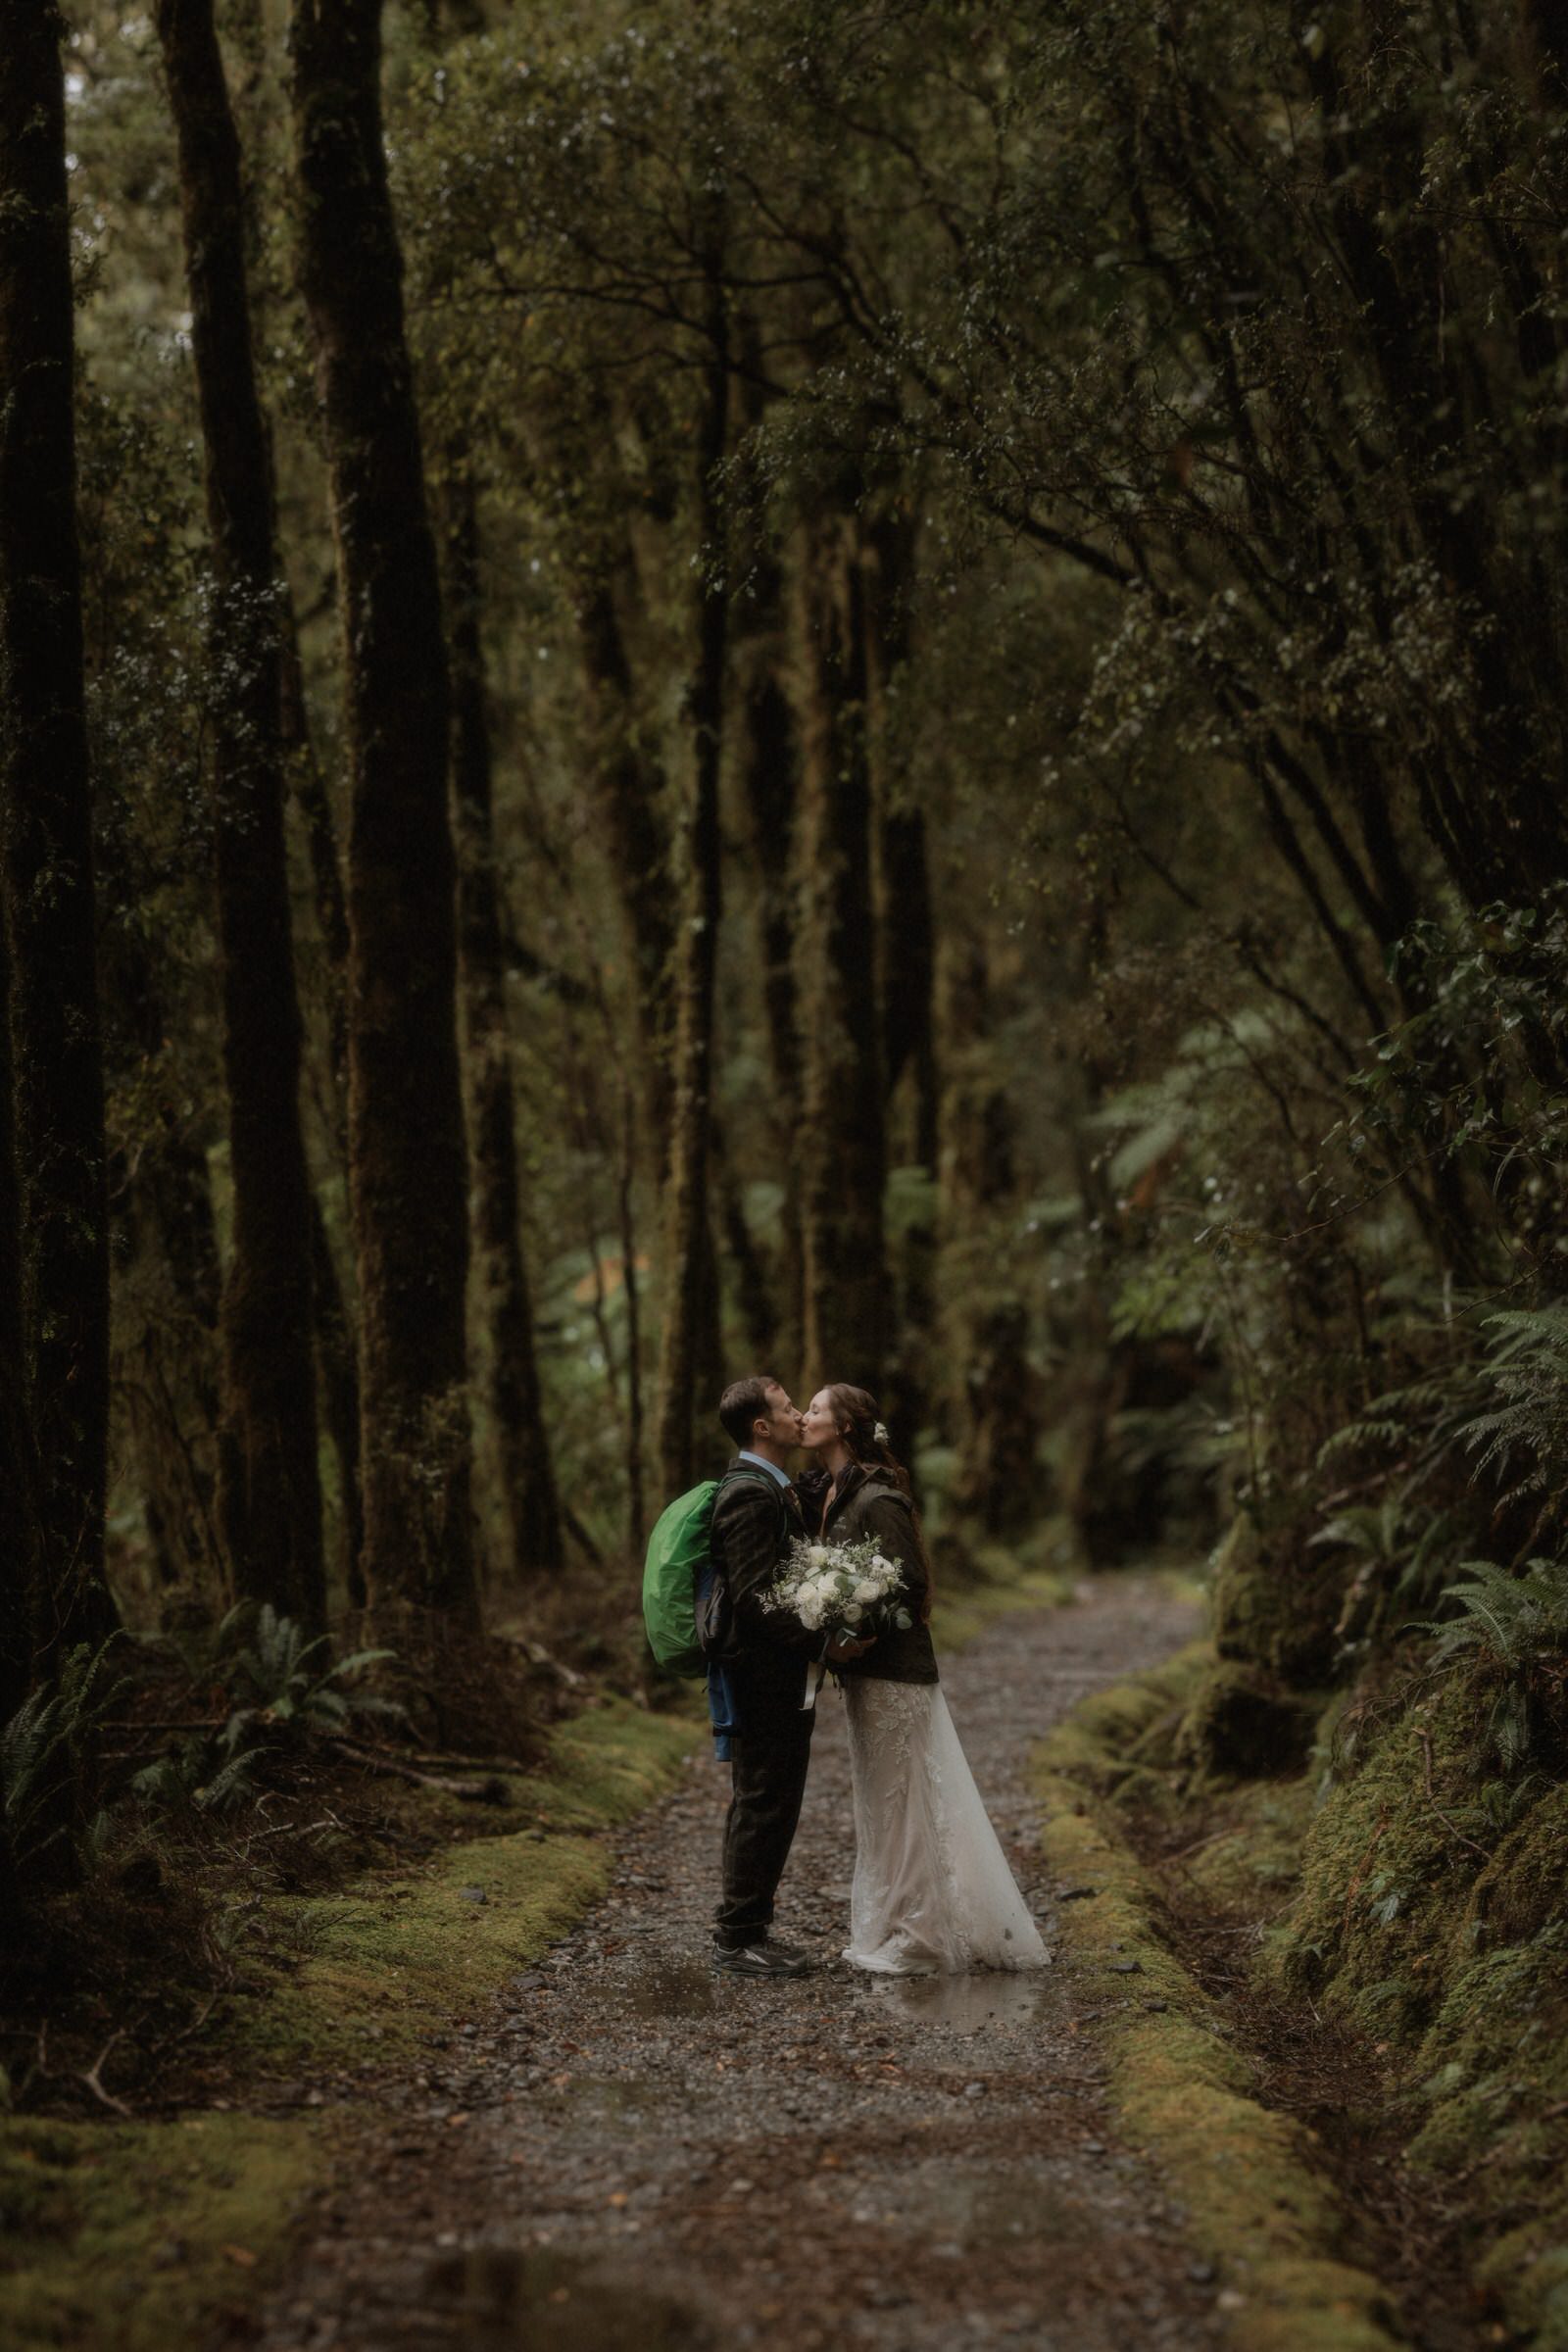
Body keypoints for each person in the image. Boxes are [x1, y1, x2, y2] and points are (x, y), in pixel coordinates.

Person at [800, 1382, 1047, 1976]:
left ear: (846, 1427)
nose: (803, 1417)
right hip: (864, 1674)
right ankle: (894, 1921)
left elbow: (905, 1582)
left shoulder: (879, 1497)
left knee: (906, 1800)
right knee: (880, 1801)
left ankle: (924, 1935)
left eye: (814, 1409)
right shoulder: (830, 1491)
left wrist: (862, 1632)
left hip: (895, 1673)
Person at [708, 1374, 868, 1980]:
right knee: (764, 1802)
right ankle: (737, 1936)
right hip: (759, 1676)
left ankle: (749, 1928)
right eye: (787, 1407)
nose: (800, 1414)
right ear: (761, 1426)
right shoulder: (747, 1494)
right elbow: (753, 1596)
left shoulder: (771, 1486)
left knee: (771, 1801)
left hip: (777, 1674)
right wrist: (824, 1642)